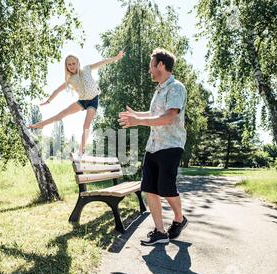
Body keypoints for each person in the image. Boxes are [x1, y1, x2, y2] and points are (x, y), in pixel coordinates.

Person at [118, 48, 188, 245]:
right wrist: (136, 116)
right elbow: (152, 115)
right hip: (153, 147)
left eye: (151, 65)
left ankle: (179, 219)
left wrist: (138, 121)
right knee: (150, 188)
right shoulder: (158, 90)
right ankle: (159, 232)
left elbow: (167, 118)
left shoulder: (176, 88)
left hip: (171, 145)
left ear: (161, 65)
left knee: (166, 188)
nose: (149, 70)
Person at [29, 51, 125, 155]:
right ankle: (41, 124)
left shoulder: (87, 69)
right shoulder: (70, 80)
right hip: (82, 101)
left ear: (78, 63)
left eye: (73, 63)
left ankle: (80, 151)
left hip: (93, 100)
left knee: (86, 126)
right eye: (69, 64)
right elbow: (58, 90)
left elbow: (102, 62)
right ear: (66, 66)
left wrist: (116, 57)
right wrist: (48, 101)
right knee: (63, 113)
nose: (71, 66)